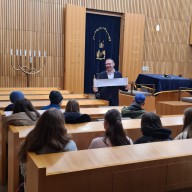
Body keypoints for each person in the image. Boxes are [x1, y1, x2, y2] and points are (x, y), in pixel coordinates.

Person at [18, 108, 77, 191]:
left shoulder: (29, 142)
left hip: (33, 185)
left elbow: (23, 171)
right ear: (62, 124)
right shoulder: (71, 145)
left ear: (40, 123)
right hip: (62, 186)